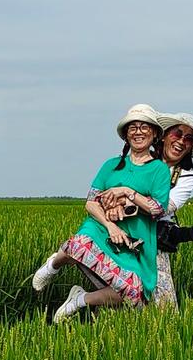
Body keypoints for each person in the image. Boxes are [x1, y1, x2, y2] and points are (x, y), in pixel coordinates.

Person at [32, 105, 171, 322]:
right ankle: (53, 265)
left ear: (154, 134)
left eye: (144, 127)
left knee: (132, 293)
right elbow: (91, 202)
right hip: (102, 226)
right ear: (126, 135)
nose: (138, 132)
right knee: (79, 245)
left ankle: (79, 299)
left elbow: (157, 208)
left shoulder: (159, 169)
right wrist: (110, 225)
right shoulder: (111, 165)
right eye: (132, 127)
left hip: (135, 240)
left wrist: (127, 192)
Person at [100, 112, 193, 309]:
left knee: (164, 307)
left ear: (191, 148)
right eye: (177, 134)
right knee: (116, 290)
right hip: (122, 230)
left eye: (188, 139)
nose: (181, 141)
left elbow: (163, 208)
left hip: (154, 240)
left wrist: (126, 197)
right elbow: (108, 189)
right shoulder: (140, 158)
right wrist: (116, 204)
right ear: (163, 136)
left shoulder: (186, 177)